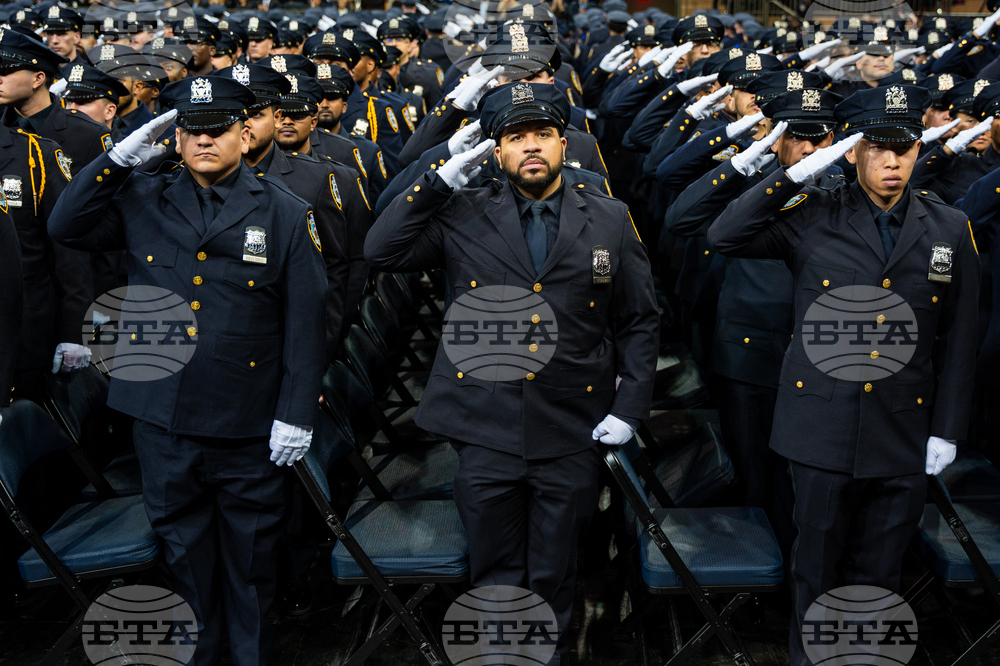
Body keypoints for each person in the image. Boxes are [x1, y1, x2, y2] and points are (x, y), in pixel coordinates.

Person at [365, 81, 659, 665]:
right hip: (484, 424)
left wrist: (629, 411)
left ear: (563, 143)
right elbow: (380, 249)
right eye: (515, 138)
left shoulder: (607, 217)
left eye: (542, 135)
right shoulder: (460, 210)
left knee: (555, 574)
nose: (531, 147)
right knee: (493, 574)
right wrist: (442, 173)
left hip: (571, 424)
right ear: (494, 151)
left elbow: (640, 320)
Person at [48, 75, 327, 666]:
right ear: (175, 138)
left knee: (251, 565)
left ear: (244, 131)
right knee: (184, 557)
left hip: (249, 420)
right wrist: (117, 158)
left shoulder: (283, 211)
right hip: (163, 416)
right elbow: (64, 227)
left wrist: (295, 415)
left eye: (217, 129)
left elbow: (306, 323)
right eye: (190, 130)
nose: (203, 140)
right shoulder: (140, 197)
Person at [707, 84, 979, 666]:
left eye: (903, 148)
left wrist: (947, 428)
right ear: (853, 151)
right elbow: (721, 234)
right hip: (821, 424)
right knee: (817, 569)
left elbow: (960, 338)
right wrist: (799, 172)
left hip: (904, 428)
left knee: (880, 575)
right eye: (876, 148)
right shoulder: (812, 213)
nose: (892, 161)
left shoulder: (949, 228)